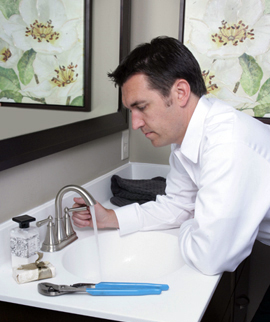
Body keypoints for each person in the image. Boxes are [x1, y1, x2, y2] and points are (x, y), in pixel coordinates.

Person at [72, 36, 270, 277]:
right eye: (131, 111)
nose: (135, 123)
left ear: (180, 92)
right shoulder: (185, 139)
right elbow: (178, 205)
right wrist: (111, 218)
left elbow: (210, 257)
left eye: (141, 107)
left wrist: (191, 220)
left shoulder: (227, 142)